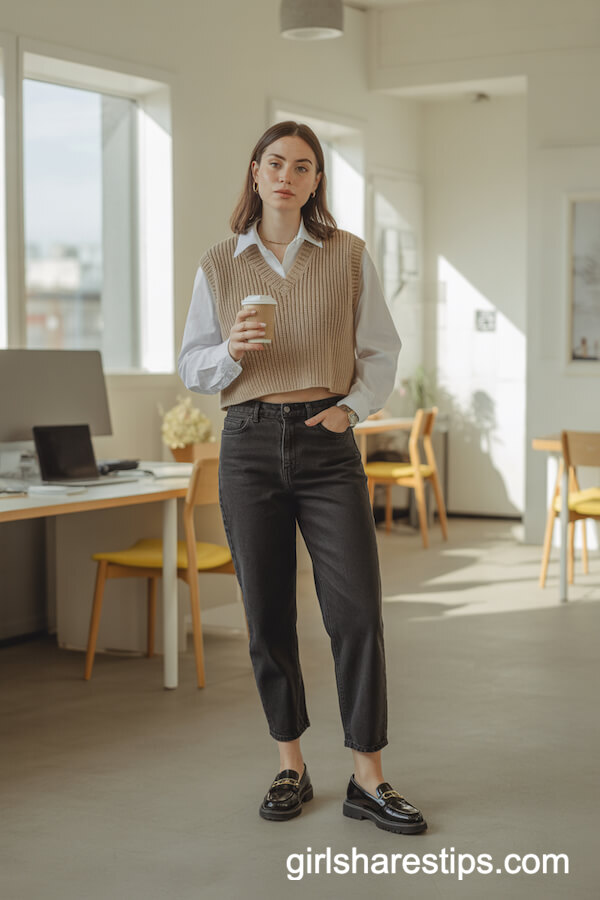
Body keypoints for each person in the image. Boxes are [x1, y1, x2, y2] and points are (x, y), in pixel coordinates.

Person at [178, 120, 427, 835]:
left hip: (326, 444)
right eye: (275, 162)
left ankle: (368, 777)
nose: (287, 175)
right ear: (255, 172)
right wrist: (228, 349)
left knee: (356, 612)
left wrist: (352, 410)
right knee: (267, 615)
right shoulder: (221, 263)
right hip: (248, 444)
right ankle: (290, 763)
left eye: (303, 166)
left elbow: (380, 348)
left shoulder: (348, 256)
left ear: (317, 181)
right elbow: (193, 364)